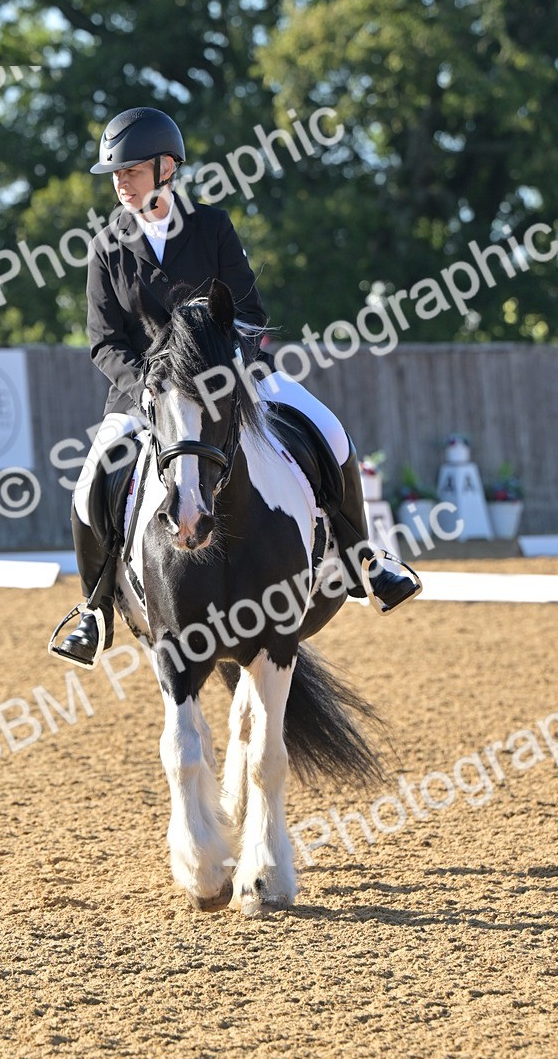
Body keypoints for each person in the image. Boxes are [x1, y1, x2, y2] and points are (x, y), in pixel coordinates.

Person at [52, 106, 419, 666]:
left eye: (130, 171)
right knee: (92, 478)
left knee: (329, 429)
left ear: (166, 167)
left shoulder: (212, 227)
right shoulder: (106, 247)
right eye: (116, 175)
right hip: (148, 392)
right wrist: (149, 388)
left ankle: (363, 557)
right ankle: (95, 609)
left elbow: (248, 312)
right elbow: (105, 341)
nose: (120, 184)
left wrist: (232, 368)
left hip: (234, 377)